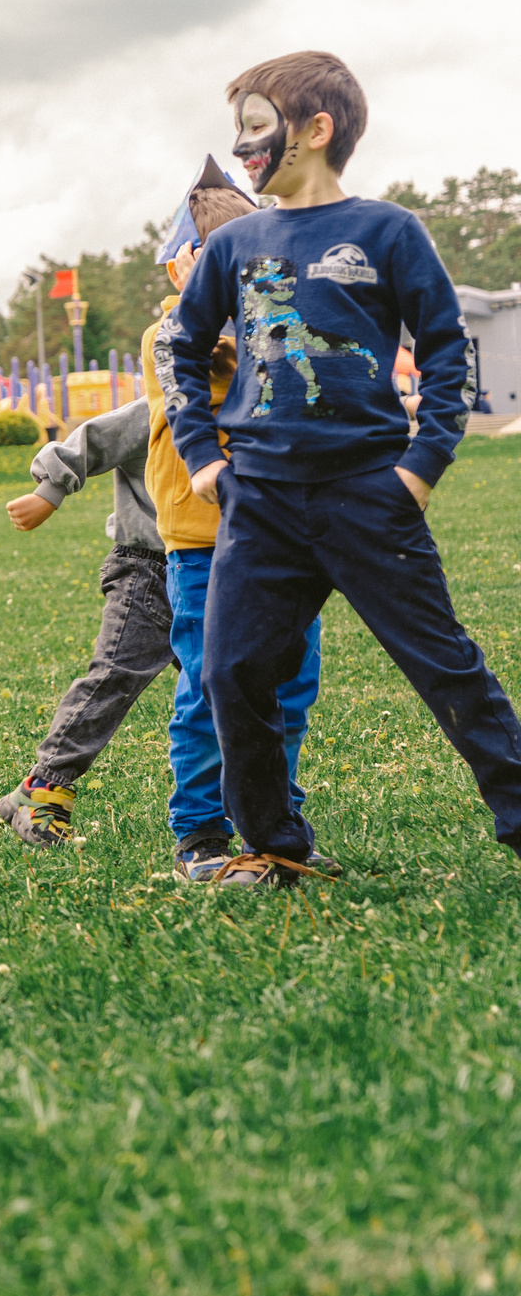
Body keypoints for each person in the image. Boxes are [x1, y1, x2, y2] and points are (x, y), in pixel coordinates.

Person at [168, 51, 521, 883]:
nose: (244, 143)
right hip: (258, 501)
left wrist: (420, 467)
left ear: (315, 130)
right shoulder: (238, 243)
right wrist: (204, 461)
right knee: (229, 671)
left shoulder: (390, 232)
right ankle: (274, 847)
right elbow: (181, 350)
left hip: (369, 496)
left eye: (258, 126)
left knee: (445, 666)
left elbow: (446, 356)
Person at [142, 163, 324, 881]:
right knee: (209, 690)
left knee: (289, 684)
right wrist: (202, 298)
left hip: (286, 535)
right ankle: (202, 832)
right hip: (204, 543)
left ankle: (277, 825)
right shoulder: (173, 331)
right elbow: (205, 372)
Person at [0, 395, 171, 845]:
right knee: (114, 679)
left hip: (214, 568)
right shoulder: (162, 402)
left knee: (223, 693)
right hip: (150, 569)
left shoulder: (249, 400)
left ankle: (244, 813)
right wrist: (47, 493)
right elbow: (92, 439)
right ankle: (43, 788)